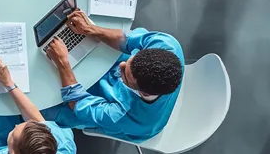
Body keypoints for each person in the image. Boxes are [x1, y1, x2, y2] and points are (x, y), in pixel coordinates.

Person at [40, 9, 185, 143]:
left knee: (44, 112)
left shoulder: (123, 116)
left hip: (127, 123)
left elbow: (78, 104)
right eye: (129, 61)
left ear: (143, 92)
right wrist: (90, 30)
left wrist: (63, 64)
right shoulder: (167, 45)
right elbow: (126, 40)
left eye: (125, 75)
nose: (121, 66)